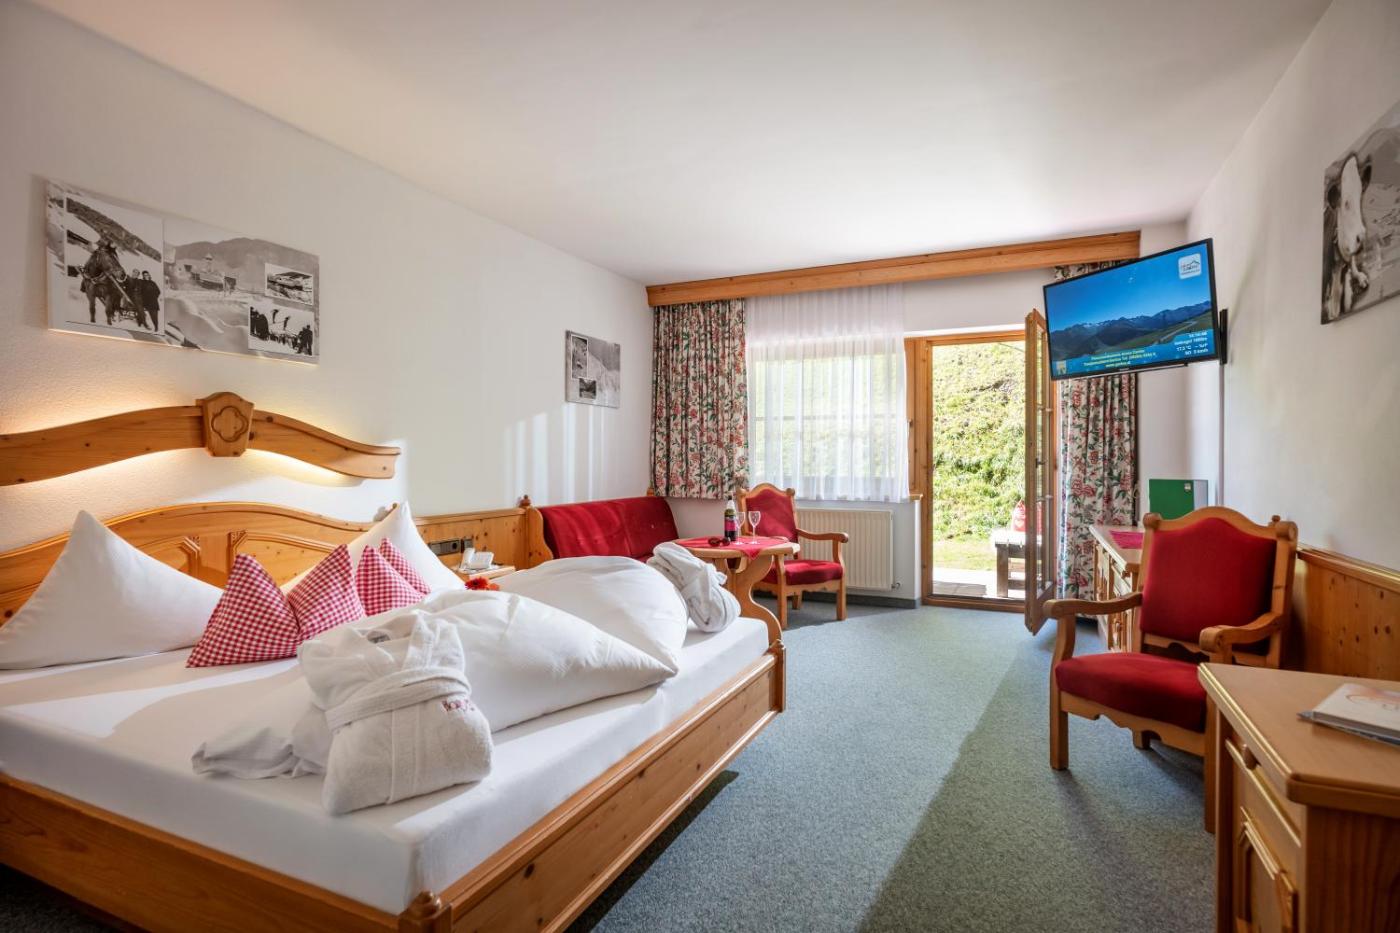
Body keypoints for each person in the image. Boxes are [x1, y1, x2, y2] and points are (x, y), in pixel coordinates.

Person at [81, 234, 124, 324]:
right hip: (99, 264)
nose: (114, 245)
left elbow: (115, 263)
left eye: (115, 244)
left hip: (109, 269)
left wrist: (113, 268)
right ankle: (84, 285)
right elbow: (95, 254)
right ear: (110, 243)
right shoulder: (104, 249)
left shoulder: (113, 253)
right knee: (89, 264)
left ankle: (114, 303)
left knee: (114, 283)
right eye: (113, 243)